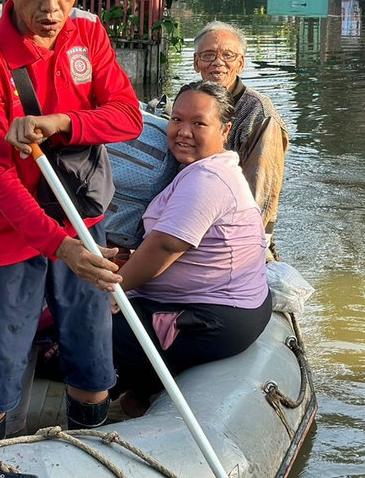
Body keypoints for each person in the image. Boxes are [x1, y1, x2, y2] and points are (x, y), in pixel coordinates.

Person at [0, 0, 142, 440]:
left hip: (82, 215)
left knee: (92, 361)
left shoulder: (89, 31)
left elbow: (128, 116)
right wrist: (61, 248)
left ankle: (90, 453)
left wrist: (62, 123)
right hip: (8, 229)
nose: (50, 7)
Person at [103, 80, 273, 417]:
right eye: (177, 120)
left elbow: (166, 245)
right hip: (215, 303)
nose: (183, 132)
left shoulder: (208, 179)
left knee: (86, 326)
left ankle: (89, 413)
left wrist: (113, 290)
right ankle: (139, 394)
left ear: (225, 130)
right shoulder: (207, 169)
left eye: (199, 123)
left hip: (212, 317)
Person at [190, 21, 289, 260]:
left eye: (228, 55)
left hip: (235, 235)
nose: (218, 63)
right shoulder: (191, 99)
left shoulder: (259, 114)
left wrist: (249, 246)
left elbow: (262, 193)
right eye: (208, 55)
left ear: (241, 64)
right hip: (194, 217)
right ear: (196, 62)